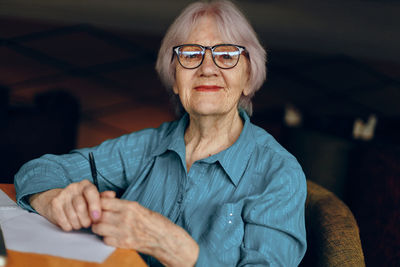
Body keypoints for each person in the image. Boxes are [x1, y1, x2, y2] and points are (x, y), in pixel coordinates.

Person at [14, 0, 307, 266]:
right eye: (191, 54)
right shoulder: (148, 146)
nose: (207, 68)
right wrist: (54, 201)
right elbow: (40, 170)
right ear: (176, 81)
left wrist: (171, 245)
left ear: (248, 76)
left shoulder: (278, 173)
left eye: (227, 54)